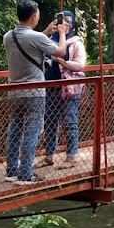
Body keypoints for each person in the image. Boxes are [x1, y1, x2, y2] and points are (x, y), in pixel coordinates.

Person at [3, 0, 67, 185]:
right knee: (32, 132)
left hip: (13, 91)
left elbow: (29, 40)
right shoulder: (36, 38)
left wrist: (46, 31)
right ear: (33, 17)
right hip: (34, 92)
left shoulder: (8, 36)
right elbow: (61, 52)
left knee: (14, 129)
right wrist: (61, 33)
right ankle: (26, 174)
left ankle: (12, 170)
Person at [37, 10, 85, 170]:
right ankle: (49, 156)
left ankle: (71, 157)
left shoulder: (76, 43)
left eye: (68, 22)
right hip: (51, 86)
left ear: (73, 26)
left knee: (70, 121)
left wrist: (62, 62)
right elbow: (36, 50)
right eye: (62, 21)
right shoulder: (50, 41)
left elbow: (80, 65)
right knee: (50, 121)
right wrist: (47, 30)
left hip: (69, 88)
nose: (65, 24)